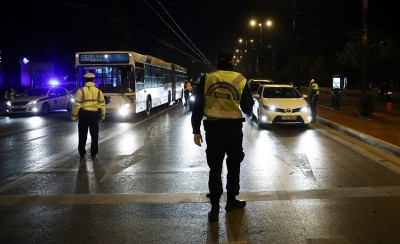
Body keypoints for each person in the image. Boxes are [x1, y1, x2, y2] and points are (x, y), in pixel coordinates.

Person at [191, 49, 254, 222]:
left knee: (215, 168)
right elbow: (248, 109)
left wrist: (196, 130)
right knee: (234, 165)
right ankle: (231, 201)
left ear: (218, 61)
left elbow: (197, 106)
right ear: (232, 60)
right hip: (233, 130)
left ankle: (214, 208)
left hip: (213, 129)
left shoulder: (208, 78)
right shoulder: (240, 80)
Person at [71, 72, 106, 158]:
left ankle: (82, 152)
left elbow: (76, 105)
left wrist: (74, 116)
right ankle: (94, 152)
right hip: (94, 115)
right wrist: (102, 115)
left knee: (82, 134)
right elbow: (102, 105)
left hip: (84, 115)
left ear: (85, 80)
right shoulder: (98, 92)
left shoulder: (80, 91)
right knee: (94, 135)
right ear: (93, 80)